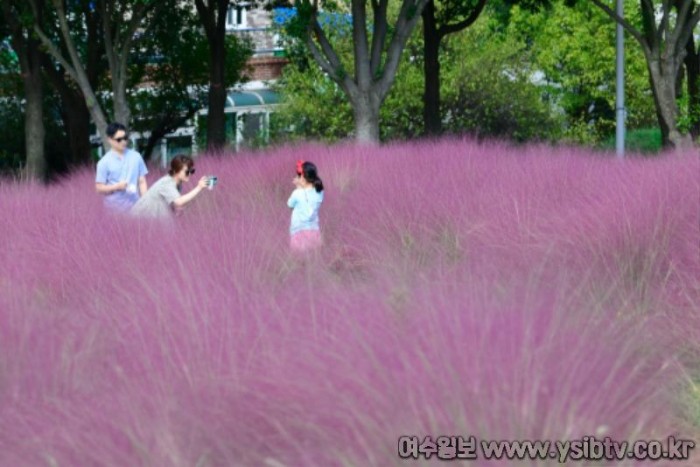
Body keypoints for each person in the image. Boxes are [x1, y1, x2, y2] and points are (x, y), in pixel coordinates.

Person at [130, 155, 210, 219]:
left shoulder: (177, 183)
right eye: (186, 172)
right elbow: (179, 202)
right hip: (139, 219)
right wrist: (199, 187)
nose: (189, 174)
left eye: (191, 171)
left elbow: (176, 205)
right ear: (175, 171)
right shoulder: (167, 183)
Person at [95, 122, 148, 212]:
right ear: (110, 139)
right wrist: (116, 187)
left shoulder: (136, 156)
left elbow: (142, 181)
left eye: (125, 138)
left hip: (135, 207)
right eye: (119, 139)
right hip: (113, 210)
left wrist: (146, 202)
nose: (123, 142)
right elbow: (99, 188)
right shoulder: (103, 162)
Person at [287, 160, 324, 251]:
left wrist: (298, 187)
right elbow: (309, 194)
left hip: (299, 232)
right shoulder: (320, 192)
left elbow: (289, 205)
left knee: (300, 261)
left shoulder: (297, 193)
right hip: (314, 231)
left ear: (302, 177)